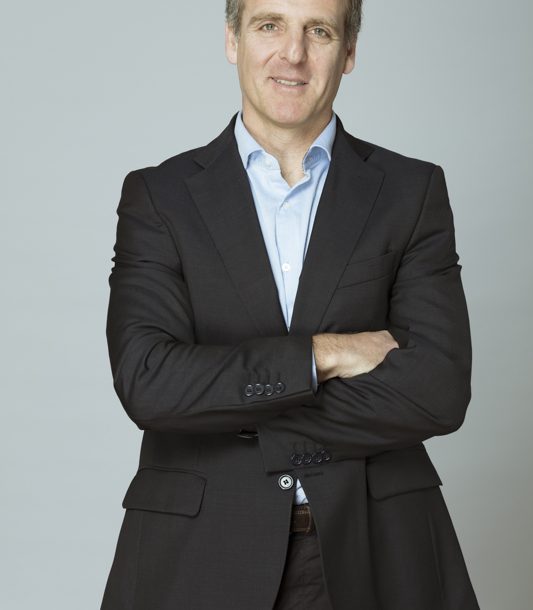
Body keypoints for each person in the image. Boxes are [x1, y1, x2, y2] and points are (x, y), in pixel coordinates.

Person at [100, 0, 480, 608]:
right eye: (269, 25)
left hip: (377, 551)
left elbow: (437, 389)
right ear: (233, 40)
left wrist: (230, 408)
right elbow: (150, 382)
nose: (293, 54)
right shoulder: (158, 197)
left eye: (319, 31)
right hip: (199, 556)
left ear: (348, 51)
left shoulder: (410, 192)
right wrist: (322, 355)